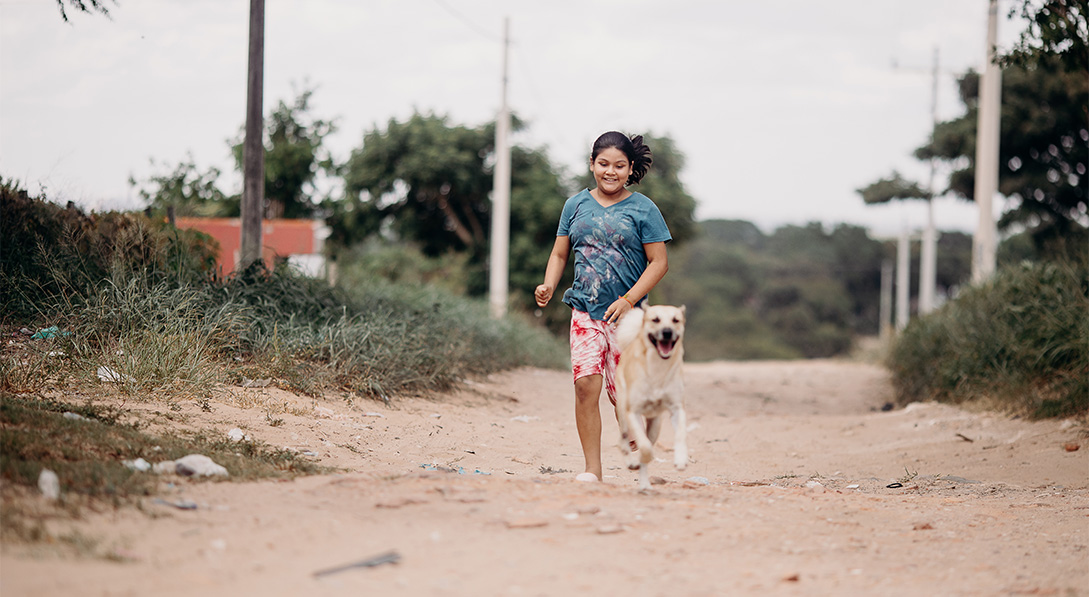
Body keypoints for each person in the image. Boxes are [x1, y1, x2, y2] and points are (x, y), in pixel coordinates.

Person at [534, 131, 672, 483]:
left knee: (622, 394)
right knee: (585, 386)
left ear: (630, 170)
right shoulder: (575, 205)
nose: (610, 172)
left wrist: (628, 301)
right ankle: (592, 470)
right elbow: (560, 252)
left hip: (628, 319)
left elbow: (658, 263)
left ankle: (640, 456)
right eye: (603, 164)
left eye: (619, 166)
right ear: (592, 164)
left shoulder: (643, 209)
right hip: (584, 310)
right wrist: (549, 284)